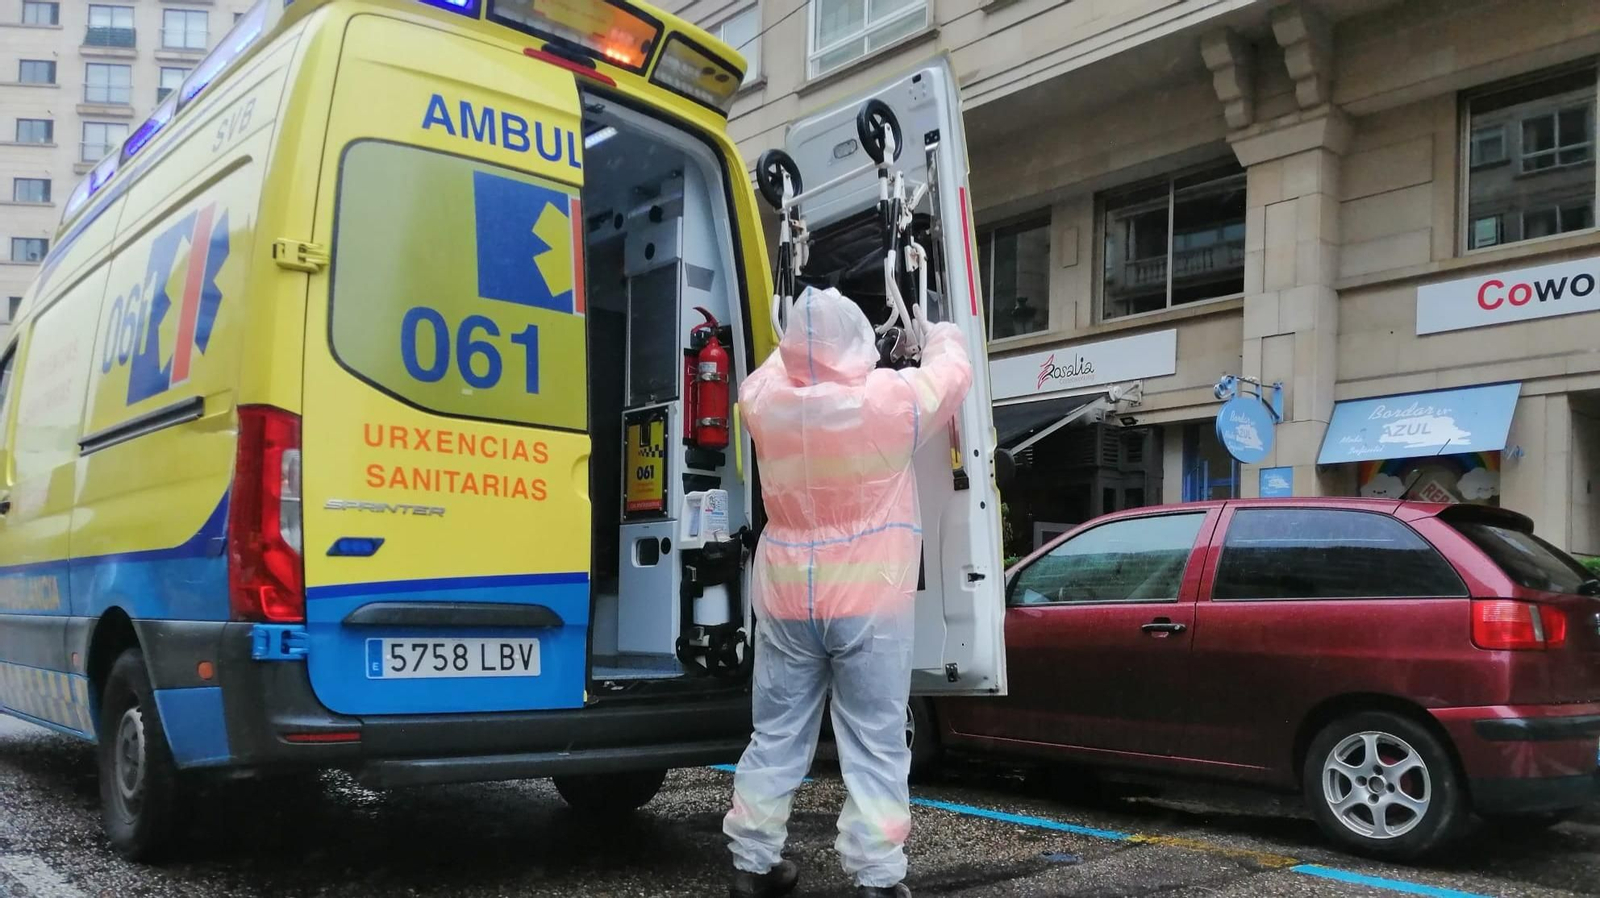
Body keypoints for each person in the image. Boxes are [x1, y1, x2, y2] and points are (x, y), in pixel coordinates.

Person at [724, 287, 973, 898]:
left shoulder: (762, 401)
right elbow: (952, 375)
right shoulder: (886, 402)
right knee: (875, 738)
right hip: (868, 596)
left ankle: (753, 865)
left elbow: (775, 367)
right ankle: (879, 879)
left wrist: (796, 338)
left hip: (785, 592)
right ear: (858, 340)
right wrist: (933, 333)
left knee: (777, 732)